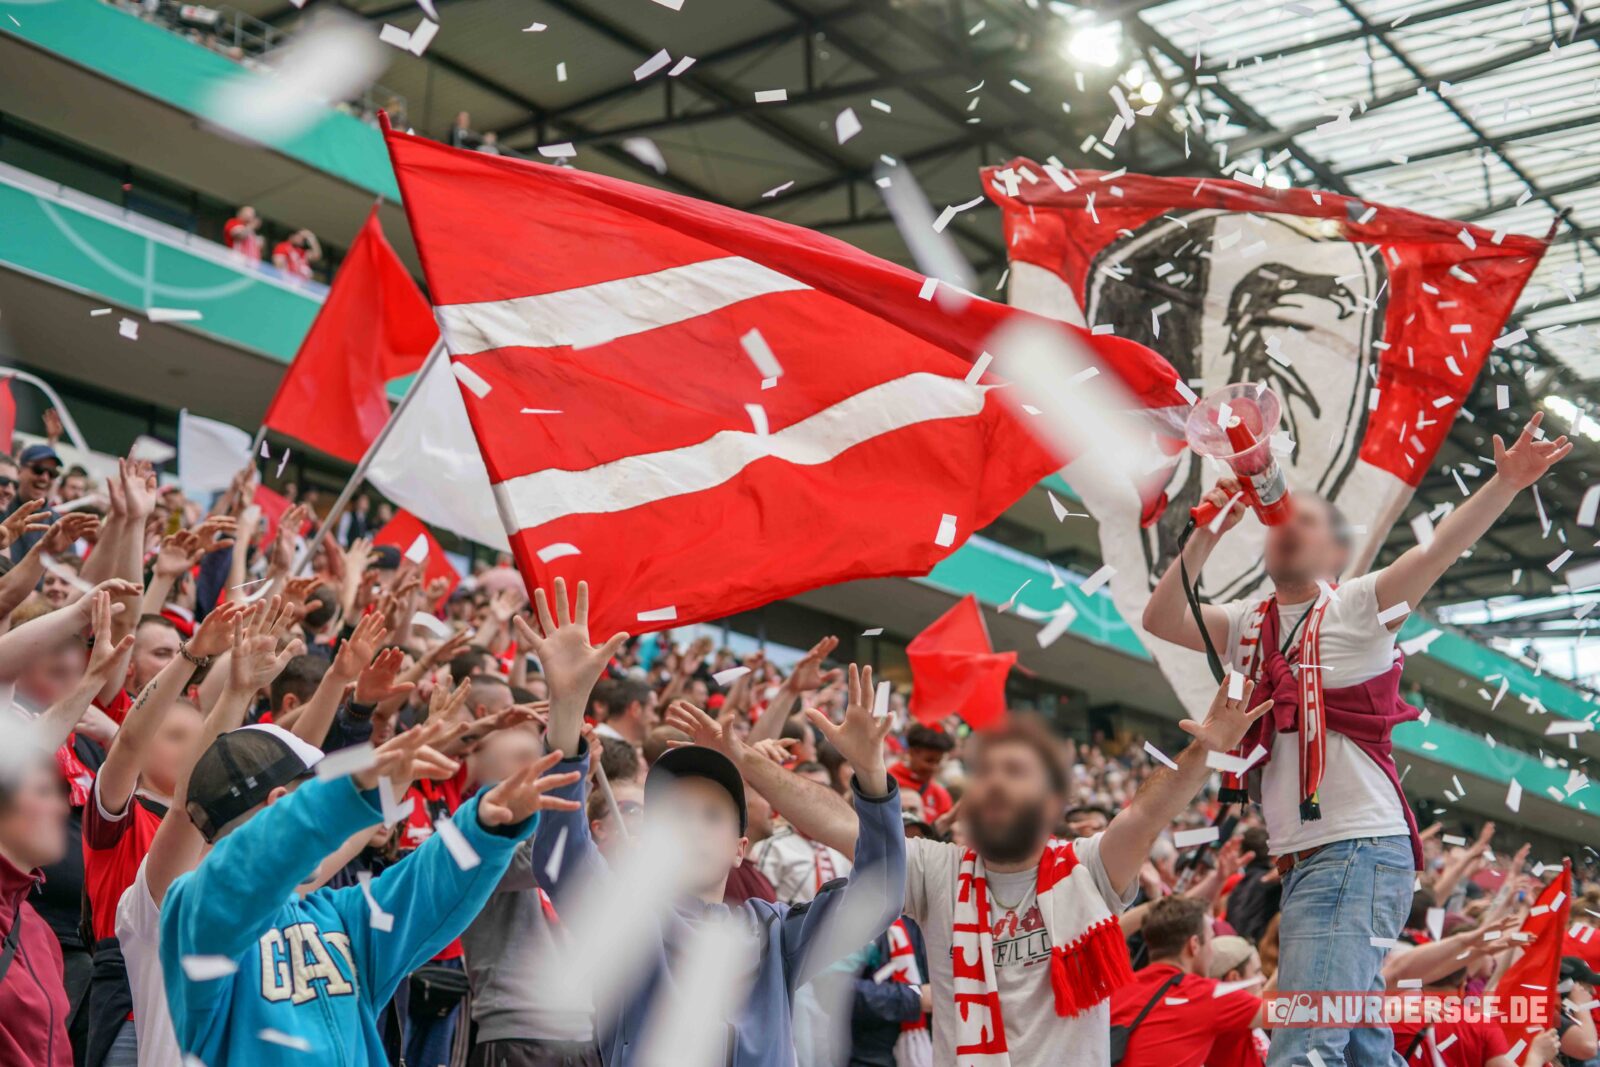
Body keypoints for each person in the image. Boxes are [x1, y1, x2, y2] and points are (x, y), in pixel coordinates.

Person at [1142, 411, 1572, 1067]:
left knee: (1305, 1041)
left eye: (1308, 523)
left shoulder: (1359, 606)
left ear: (1334, 554)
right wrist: (1206, 531)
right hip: (1318, 853)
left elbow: (1436, 552)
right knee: (1362, 1044)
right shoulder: (1250, 624)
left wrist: (1505, 484)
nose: (1290, 528)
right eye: (1285, 520)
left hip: (1353, 845)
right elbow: (1162, 616)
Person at [675, 662, 1268, 1066]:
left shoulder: (1087, 865)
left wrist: (1204, 750)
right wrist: (747, 763)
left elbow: (1145, 813)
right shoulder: (938, 871)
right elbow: (838, 823)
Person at [523, 578, 907, 1067]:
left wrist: (872, 777)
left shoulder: (773, 934)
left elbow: (880, 892)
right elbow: (560, 858)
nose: (692, 827)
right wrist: (567, 710)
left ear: (740, 847)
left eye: (711, 815)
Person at [158, 716, 580, 1066]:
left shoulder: (332, 913)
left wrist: (485, 828)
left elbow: (421, 890)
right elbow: (238, 875)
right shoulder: (190, 907)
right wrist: (347, 789)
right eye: (317, 796)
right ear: (280, 803)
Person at [1107, 895, 1267, 1067]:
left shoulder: (1117, 986)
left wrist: (1167, 907)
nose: (1212, 952)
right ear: (1195, 944)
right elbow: (1293, 1011)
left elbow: (1112, 932)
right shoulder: (1207, 994)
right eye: (1210, 940)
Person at [889, 724, 954, 824]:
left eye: (938, 761)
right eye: (929, 760)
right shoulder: (886, 782)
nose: (934, 767)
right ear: (912, 752)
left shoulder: (940, 796)